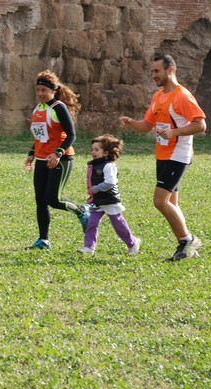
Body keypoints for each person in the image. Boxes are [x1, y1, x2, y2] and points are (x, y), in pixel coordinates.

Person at [119, 54, 206, 261]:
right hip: (163, 154)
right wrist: (132, 123)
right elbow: (147, 126)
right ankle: (187, 248)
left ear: (170, 70)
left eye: (156, 71)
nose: (153, 75)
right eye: (152, 71)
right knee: (172, 204)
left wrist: (175, 133)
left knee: (160, 201)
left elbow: (200, 125)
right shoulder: (158, 96)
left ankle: (188, 240)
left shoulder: (182, 96)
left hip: (178, 155)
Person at [25, 70, 89, 250]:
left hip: (61, 158)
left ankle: (82, 211)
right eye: (38, 90)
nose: (40, 94)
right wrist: (31, 153)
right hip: (42, 159)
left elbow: (71, 135)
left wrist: (58, 153)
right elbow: (39, 136)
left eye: (44, 90)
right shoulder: (37, 109)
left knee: (53, 199)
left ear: (53, 91)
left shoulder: (58, 107)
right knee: (40, 200)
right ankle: (43, 240)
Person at [78, 134, 141, 256]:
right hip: (98, 200)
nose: (93, 152)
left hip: (109, 200)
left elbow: (110, 182)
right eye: (92, 150)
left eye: (97, 150)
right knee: (92, 222)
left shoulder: (108, 165)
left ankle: (133, 243)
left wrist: (96, 188)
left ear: (106, 152)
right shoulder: (94, 164)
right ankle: (89, 247)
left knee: (118, 225)